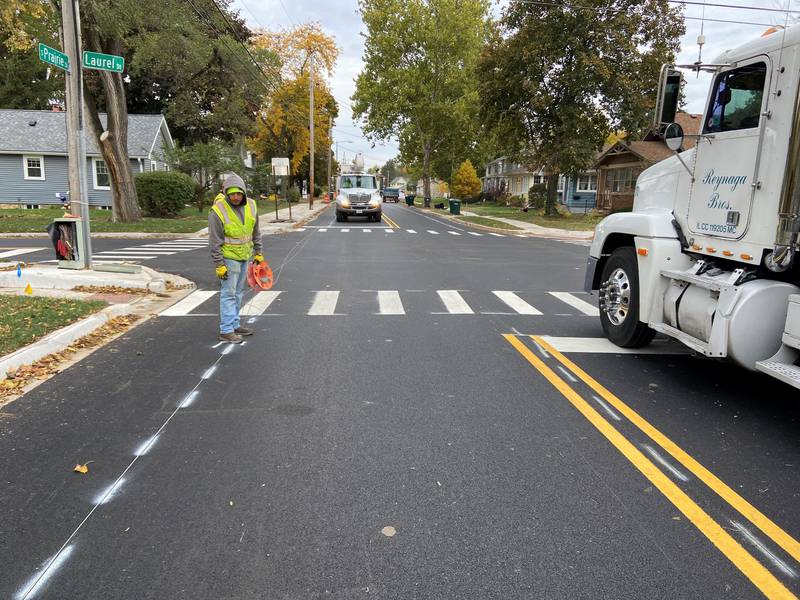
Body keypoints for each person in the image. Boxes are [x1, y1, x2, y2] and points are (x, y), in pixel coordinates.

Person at [209, 174, 264, 343]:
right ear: (226, 193)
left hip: (245, 256)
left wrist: (259, 253)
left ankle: (234, 324)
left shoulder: (252, 206)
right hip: (229, 258)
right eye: (231, 193)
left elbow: (256, 232)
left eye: (238, 193)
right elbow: (214, 241)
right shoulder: (218, 210)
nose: (235, 197)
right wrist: (219, 264)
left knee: (238, 293)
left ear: (244, 193)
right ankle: (226, 330)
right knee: (229, 294)